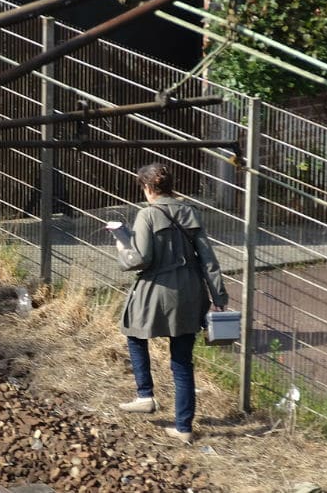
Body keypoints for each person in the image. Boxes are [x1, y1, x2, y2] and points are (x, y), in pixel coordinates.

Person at [115, 162, 228, 444]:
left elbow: (141, 258)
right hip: (191, 292)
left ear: (148, 187)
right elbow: (209, 260)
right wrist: (218, 297)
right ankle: (183, 427)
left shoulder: (147, 215)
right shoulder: (190, 212)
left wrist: (122, 246)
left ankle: (145, 395)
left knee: (132, 331)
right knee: (182, 362)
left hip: (156, 290)